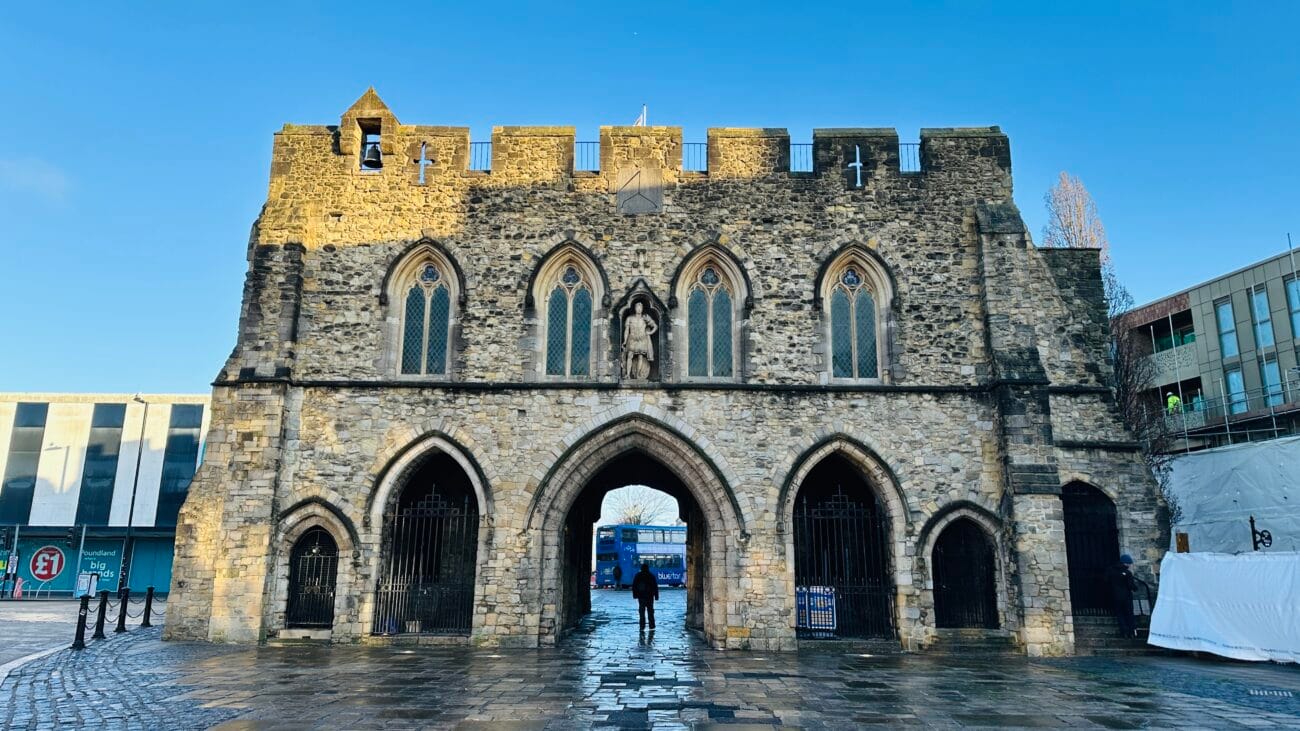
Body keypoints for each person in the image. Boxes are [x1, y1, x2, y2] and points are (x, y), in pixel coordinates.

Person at [1103, 554, 1138, 638]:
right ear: (1126, 563)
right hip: (1127, 596)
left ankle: (1124, 632)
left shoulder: (1110, 570)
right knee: (1129, 613)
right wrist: (1135, 588)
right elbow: (1131, 585)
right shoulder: (1127, 573)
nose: (1129, 565)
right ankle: (1132, 632)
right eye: (1129, 563)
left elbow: (1106, 580)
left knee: (1120, 614)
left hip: (1115, 596)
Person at [631, 561, 659, 631]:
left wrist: (635, 595)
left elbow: (634, 586)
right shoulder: (651, 575)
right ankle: (652, 625)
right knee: (650, 611)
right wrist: (656, 596)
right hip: (650, 596)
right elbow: (655, 586)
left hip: (641, 596)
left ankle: (642, 626)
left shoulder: (638, 575)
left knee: (641, 611)